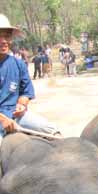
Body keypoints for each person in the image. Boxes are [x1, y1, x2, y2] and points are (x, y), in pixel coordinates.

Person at [0, 14, 60, 143]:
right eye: (0, 36)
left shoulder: (18, 64)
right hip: (1, 118)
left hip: (16, 115)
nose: (4, 40)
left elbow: (26, 91)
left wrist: (22, 104)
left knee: (53, 131)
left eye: (7, 36)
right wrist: (2, 119)